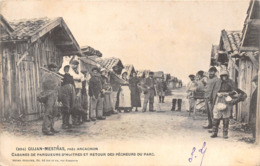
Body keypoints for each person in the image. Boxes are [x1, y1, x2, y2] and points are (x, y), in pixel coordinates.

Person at [210, 70, 236, 139]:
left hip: (227, 100)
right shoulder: (217, 82)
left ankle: (225, 133)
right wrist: (217, 94)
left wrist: (227, 93)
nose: (224, 77)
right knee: (216, 116)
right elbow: (214, 91)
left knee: (226, 117)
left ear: (227, 76)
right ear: (221, 76)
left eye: (225, 75)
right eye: (222, 76)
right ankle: (214, 132)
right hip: (218, 99)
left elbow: (235, 91)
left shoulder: (231, 82)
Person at [40, 63, 61, 135]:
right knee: (48, 112)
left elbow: (58, 84)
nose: (54, 69)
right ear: (49, 68)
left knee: (54, 111)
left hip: (55, 94)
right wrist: (52, 76)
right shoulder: (46, 75)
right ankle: (46, 129)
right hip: (48, 94)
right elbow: (46, 84)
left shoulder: (55, 75)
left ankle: (51, 127)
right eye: (52, 68)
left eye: (55, 68)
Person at [59, 65, 75, 129]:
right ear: (63, 69)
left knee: (71, 107)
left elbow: (73, 85)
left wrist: (75, 92)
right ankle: (64, 123)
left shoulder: (71, 76)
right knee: (66, 107)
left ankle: (69, 122)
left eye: (68, 68)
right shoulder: (61, 76)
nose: (67, 70)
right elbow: (60, 85)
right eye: (65, 68)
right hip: (64, 93)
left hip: (71, 91)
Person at [69, 60, 84, 126]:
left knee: (79, 104)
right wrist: (79, 78)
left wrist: (79, 78)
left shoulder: (78, 71)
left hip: (79, 88)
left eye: (76, 65)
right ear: (71, 64)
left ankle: (78, 119)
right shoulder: (69, 71)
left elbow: (83, 77)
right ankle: (73, 120)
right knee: (73, 104)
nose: (75, 66)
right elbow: (73, 77)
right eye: (74, 64)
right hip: (73, 88)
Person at [249, 75, 258, 140]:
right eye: (255, 82)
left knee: (254, 123)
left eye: (257, 81)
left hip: (257, 110)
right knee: (253, 123)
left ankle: (255, 137)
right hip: (254, 109)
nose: (256, 83)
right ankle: (254, 136)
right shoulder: (256, 90)